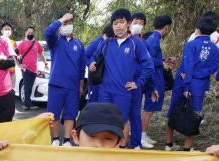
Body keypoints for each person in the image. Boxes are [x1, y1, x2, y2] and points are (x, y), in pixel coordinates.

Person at [89, 8, 153, 147]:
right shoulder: (106, 43)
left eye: (121, 22)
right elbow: (94, 56)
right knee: (105, 120)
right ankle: (106, 147)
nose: (118, 26)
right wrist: (92, 63)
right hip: (104, 90)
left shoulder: (136, 43)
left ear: (128, 23)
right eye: (115, 23)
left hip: (123, 91)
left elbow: (148, 65)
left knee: (121, 121)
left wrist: (138, 83)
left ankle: (121, 147)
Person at [165, 17, 219, 152]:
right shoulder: (215, 48)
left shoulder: (191, 44)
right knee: (195, 115)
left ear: (198, 30)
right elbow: (213, 68)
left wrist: (187, 85)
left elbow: (187, 67)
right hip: (199, 85)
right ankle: (187, 148)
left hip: (183, 82)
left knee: (174, 110)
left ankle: (168, 144)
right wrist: (199, 75)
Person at [45, 13, 85, 147]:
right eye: (64, 24)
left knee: (70, 114)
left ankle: (67, 140)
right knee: (54, 114)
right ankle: (55, 139)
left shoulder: (79, 45)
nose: (67, 26)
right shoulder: (55, 41)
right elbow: (48, 31)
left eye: (69, 23)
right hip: (56, 84)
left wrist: (81, 86)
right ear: (60, 27)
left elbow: (81, 68)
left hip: (73, 87)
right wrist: (61, 19)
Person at [141, 15, 173, 148]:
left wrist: (164, 60)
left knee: (151, 108)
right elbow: (148, 59)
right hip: (153, 78)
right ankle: (142, 136)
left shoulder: (154, 38)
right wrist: (162, 63)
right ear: (166, 27)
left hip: (155, 76)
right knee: (149, 108)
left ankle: (144, 134)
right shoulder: (153, 39)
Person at [128, 12, 149, 149]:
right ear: (129, 22)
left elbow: (148, 66)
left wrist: (140, 83)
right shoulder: (115, 39)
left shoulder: (142, 43)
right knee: (119, 114)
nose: (138, 25)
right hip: (118, 85)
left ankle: (136, 143)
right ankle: (118, 143)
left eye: (141, 23)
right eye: (136, 22)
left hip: (135, 86)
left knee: (135, 115)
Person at [17, 26, 49, 110]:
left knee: (30, 87)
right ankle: (26, 104)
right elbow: (15, 54)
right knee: (27, 86)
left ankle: (28, 103)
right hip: (26, 69)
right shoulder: (22, 44)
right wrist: (19, 65)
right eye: (29, 32)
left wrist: (45, 63)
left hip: (35, 70)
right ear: (25, 33)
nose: (30, 34)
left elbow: (41, 54)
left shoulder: (36, 43)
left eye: (32, 33)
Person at [85, 25, 114, 103]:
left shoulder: (113, 43)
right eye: (107, 36)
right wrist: (90, 64)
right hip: (95, 76)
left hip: (106, 79)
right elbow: (84, 55)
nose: (108, 39)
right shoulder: (97, 42)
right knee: (93, 100)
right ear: (103, 34)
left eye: (111, 37)